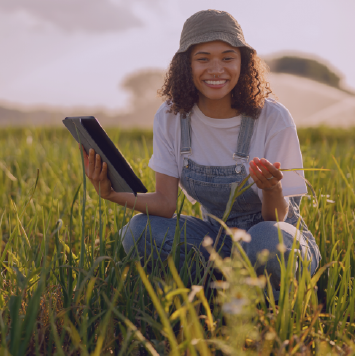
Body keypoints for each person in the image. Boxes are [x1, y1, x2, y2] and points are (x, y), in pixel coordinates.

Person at [81, 9, 320, 297]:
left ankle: (267, 297)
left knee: (265, 240)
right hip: (217, 241)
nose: (216, 69)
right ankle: (218, 292)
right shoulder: (171, 117)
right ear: (186, 65)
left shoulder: (273, 118)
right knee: (138, 231)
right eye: (203, 58)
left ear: (243, 63)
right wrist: (111, 194)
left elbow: (278, 216)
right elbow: (165, 203)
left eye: (228, 57)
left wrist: (272, 189)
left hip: (277, 237)